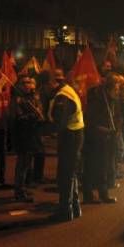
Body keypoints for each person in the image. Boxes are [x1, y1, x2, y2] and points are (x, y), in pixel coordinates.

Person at [47, 69, 84, 221]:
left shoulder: (63, 96)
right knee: (71, 173)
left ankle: (65, 210)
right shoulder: (68, 91)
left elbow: (60, 121)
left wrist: (48, 130)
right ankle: (74, 207)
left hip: (69, 136)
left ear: (52, 82)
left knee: (66, 174)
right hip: (75, 134)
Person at [83, 73, 121, 204]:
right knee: (92, 166)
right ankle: (89, 194)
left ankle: (103, 193)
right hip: (95, 138)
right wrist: (106, 130)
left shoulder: (111, 100)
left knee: (103, 167)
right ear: (109, 88)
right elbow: (92, 122)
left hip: (107, 138)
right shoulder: (97, 100)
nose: (118, 92)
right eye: (116, 89)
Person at [9, 75, 45, 202]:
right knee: (22, 164)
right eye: (24, 83)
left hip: (32, 135)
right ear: (19, 85)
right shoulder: (17, 100)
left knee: (27, 164)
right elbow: (18, 118)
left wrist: (39, 115)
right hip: (22, 136)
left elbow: (40, 109)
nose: (28, 85)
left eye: (29, 82)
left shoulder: (33, 97)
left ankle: (22, 188)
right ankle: (19, 191)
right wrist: (33, 116)